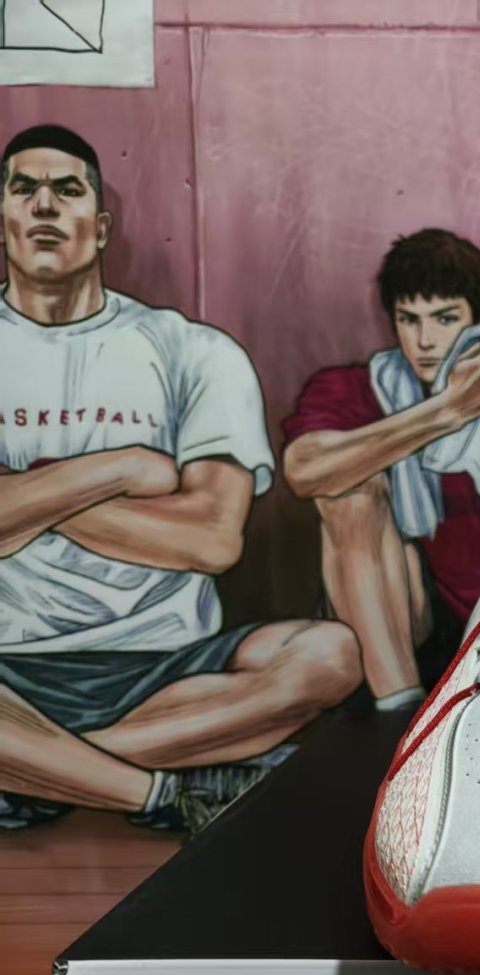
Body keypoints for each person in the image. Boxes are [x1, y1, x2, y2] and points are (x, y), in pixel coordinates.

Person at [0, 125, 362, 833]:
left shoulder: (192, 351)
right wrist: (124, 468)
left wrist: (26, 494)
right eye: (24, 189)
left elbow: (210, 540)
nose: (44, 205)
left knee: (330, 655)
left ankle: (38, 772)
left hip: (168, 662)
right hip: (10, 663)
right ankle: (158, 793)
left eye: (67, 190)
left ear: (101, 228)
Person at [283, 229, 480, 711]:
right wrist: (447, 411)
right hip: (397, 615)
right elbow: (305, 471)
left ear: (478, 321)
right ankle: (396, 715)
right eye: (408, 320)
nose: (424, 340)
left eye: (444, 319)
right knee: (350, 490)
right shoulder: (355, 389)